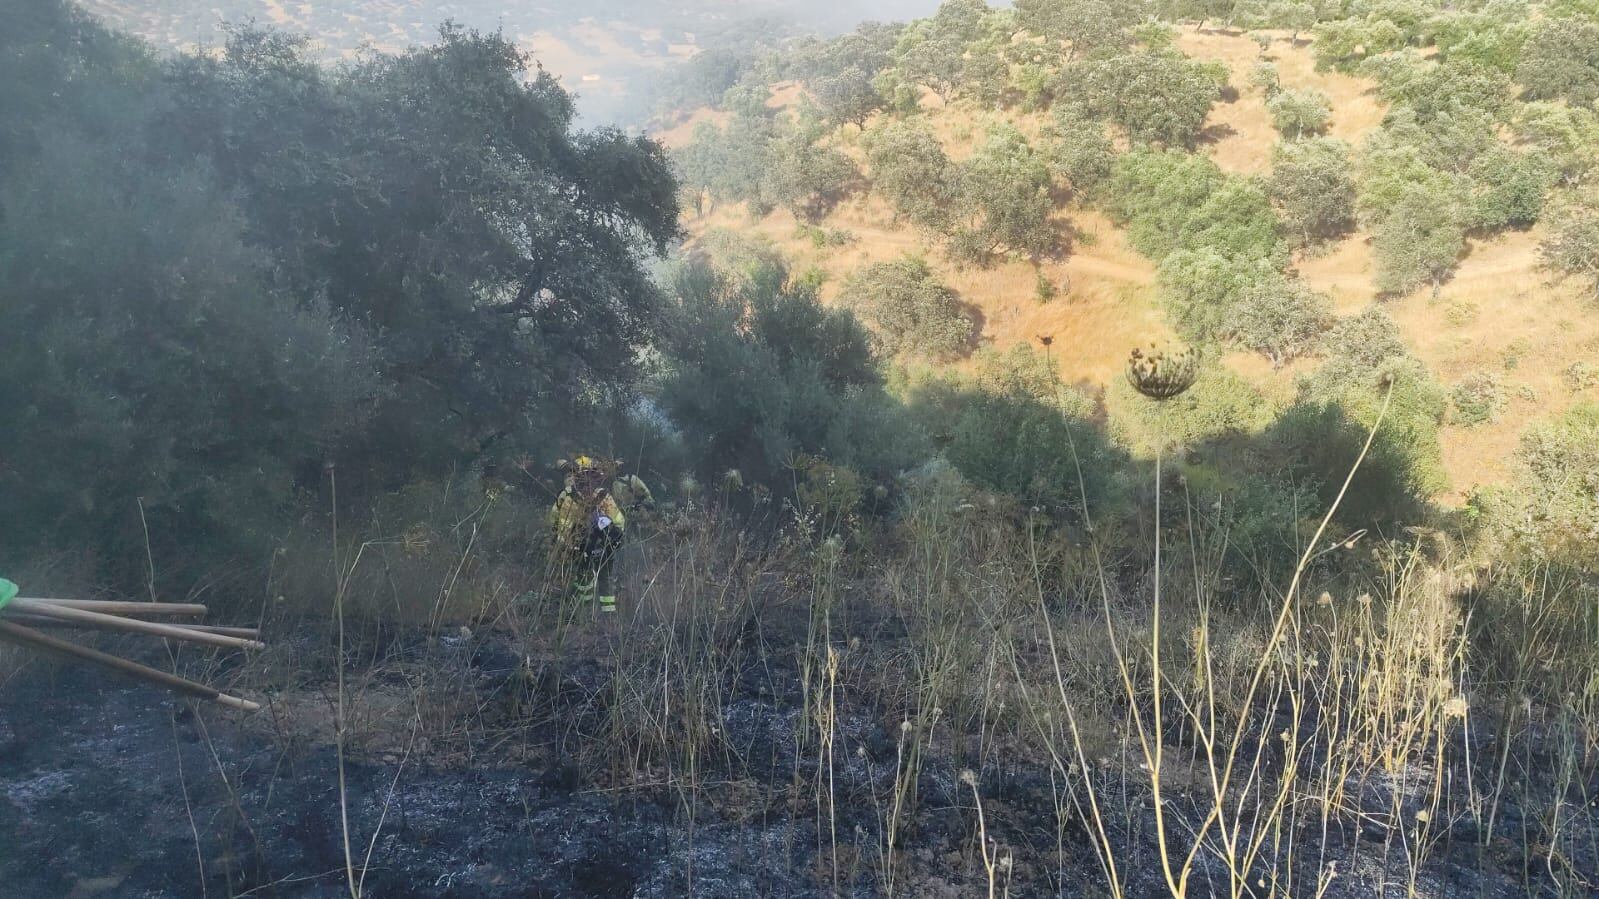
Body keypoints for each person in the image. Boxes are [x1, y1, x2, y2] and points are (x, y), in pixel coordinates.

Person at [547, 455, 647, 615]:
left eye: (590, 476)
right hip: (588, 547)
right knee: (593, 579)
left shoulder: (573, 494)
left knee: (591, 578)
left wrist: (565, 544)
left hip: (588, 547)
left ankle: (597, 613)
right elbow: (619, 522)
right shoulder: (593, 495)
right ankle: (594, 613)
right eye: (584, 476)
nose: (587, 481)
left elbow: (556, 522)